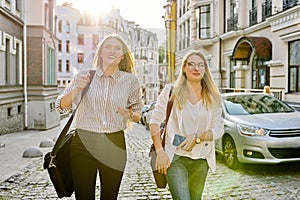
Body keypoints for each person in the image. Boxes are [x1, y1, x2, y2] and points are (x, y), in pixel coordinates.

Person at [55, 34, 143, 200]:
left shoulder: (131, 81)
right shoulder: (84, 76)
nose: (112, 50)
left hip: (114, 143)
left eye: (117, 48)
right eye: (108, 47)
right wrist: (76, 90)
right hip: (83, 143)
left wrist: (129, 114)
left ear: (122, 56)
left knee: (110, 197)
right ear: (100, 53)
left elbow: (138, 115)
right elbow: (60, 107)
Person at [149, 50, 224, 200]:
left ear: (205, 70)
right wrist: (160, 152)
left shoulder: (213, 96)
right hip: (176, 158)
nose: (196, 68)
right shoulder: (171, 92)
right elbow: (154, 122)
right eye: (191, 64)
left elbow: (219, 129)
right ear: (184, 68)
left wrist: (197, 137)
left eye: (200, 65)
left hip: (201, 160)